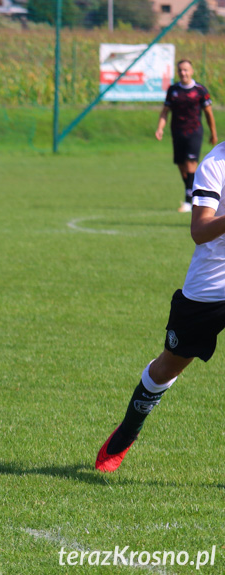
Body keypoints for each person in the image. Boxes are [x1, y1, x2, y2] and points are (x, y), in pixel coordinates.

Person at [96, 141, 225, 473]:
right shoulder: (215, 163)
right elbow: (199, 231)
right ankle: (127, 432)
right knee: (169, 367)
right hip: (209, 288)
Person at [155, 59, 217, 213]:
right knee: (182, 167)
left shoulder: (200, 90)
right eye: (181, 70)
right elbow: (165, 111)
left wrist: (213, 133)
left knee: (191, 163)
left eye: (186, 70)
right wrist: (160, 128)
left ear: (192, 71)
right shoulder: (173, 90)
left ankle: (189, 202)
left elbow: (208, 113)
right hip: (177, 132)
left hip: (194, 132)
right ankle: (193, 191)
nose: (183, 73)